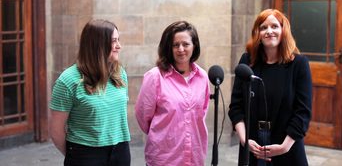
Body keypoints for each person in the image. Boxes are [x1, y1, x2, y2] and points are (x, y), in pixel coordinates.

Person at [228, 9, 312, 166]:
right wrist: (245, 139)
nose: (269, 31)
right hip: (252, 142)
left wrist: (284, 147)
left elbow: (303, 112)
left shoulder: (299, 64)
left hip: (286, 144)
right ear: (258, 33)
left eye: (274, 26)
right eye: (263, 27)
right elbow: (236, 106)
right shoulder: (247, 61)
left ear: (283, 30)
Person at [49, 19, 131, 166]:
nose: (119, 46)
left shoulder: (120, 73)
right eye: (113, 41)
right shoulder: (68, 80)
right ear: (97, 45)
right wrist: (77, 157)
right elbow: (56, 131)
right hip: (85, 154)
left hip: (120, 151)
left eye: (118, 40)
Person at [135, 21, 210, 166]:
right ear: (168, 48)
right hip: (164, 158)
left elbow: (201, 113)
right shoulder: (155, 77)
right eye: (176, 45)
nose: (181, 49)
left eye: (186, 44)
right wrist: (164, 134)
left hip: (194, 157)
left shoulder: (203, 77)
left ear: (194, 45)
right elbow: (143, 116)